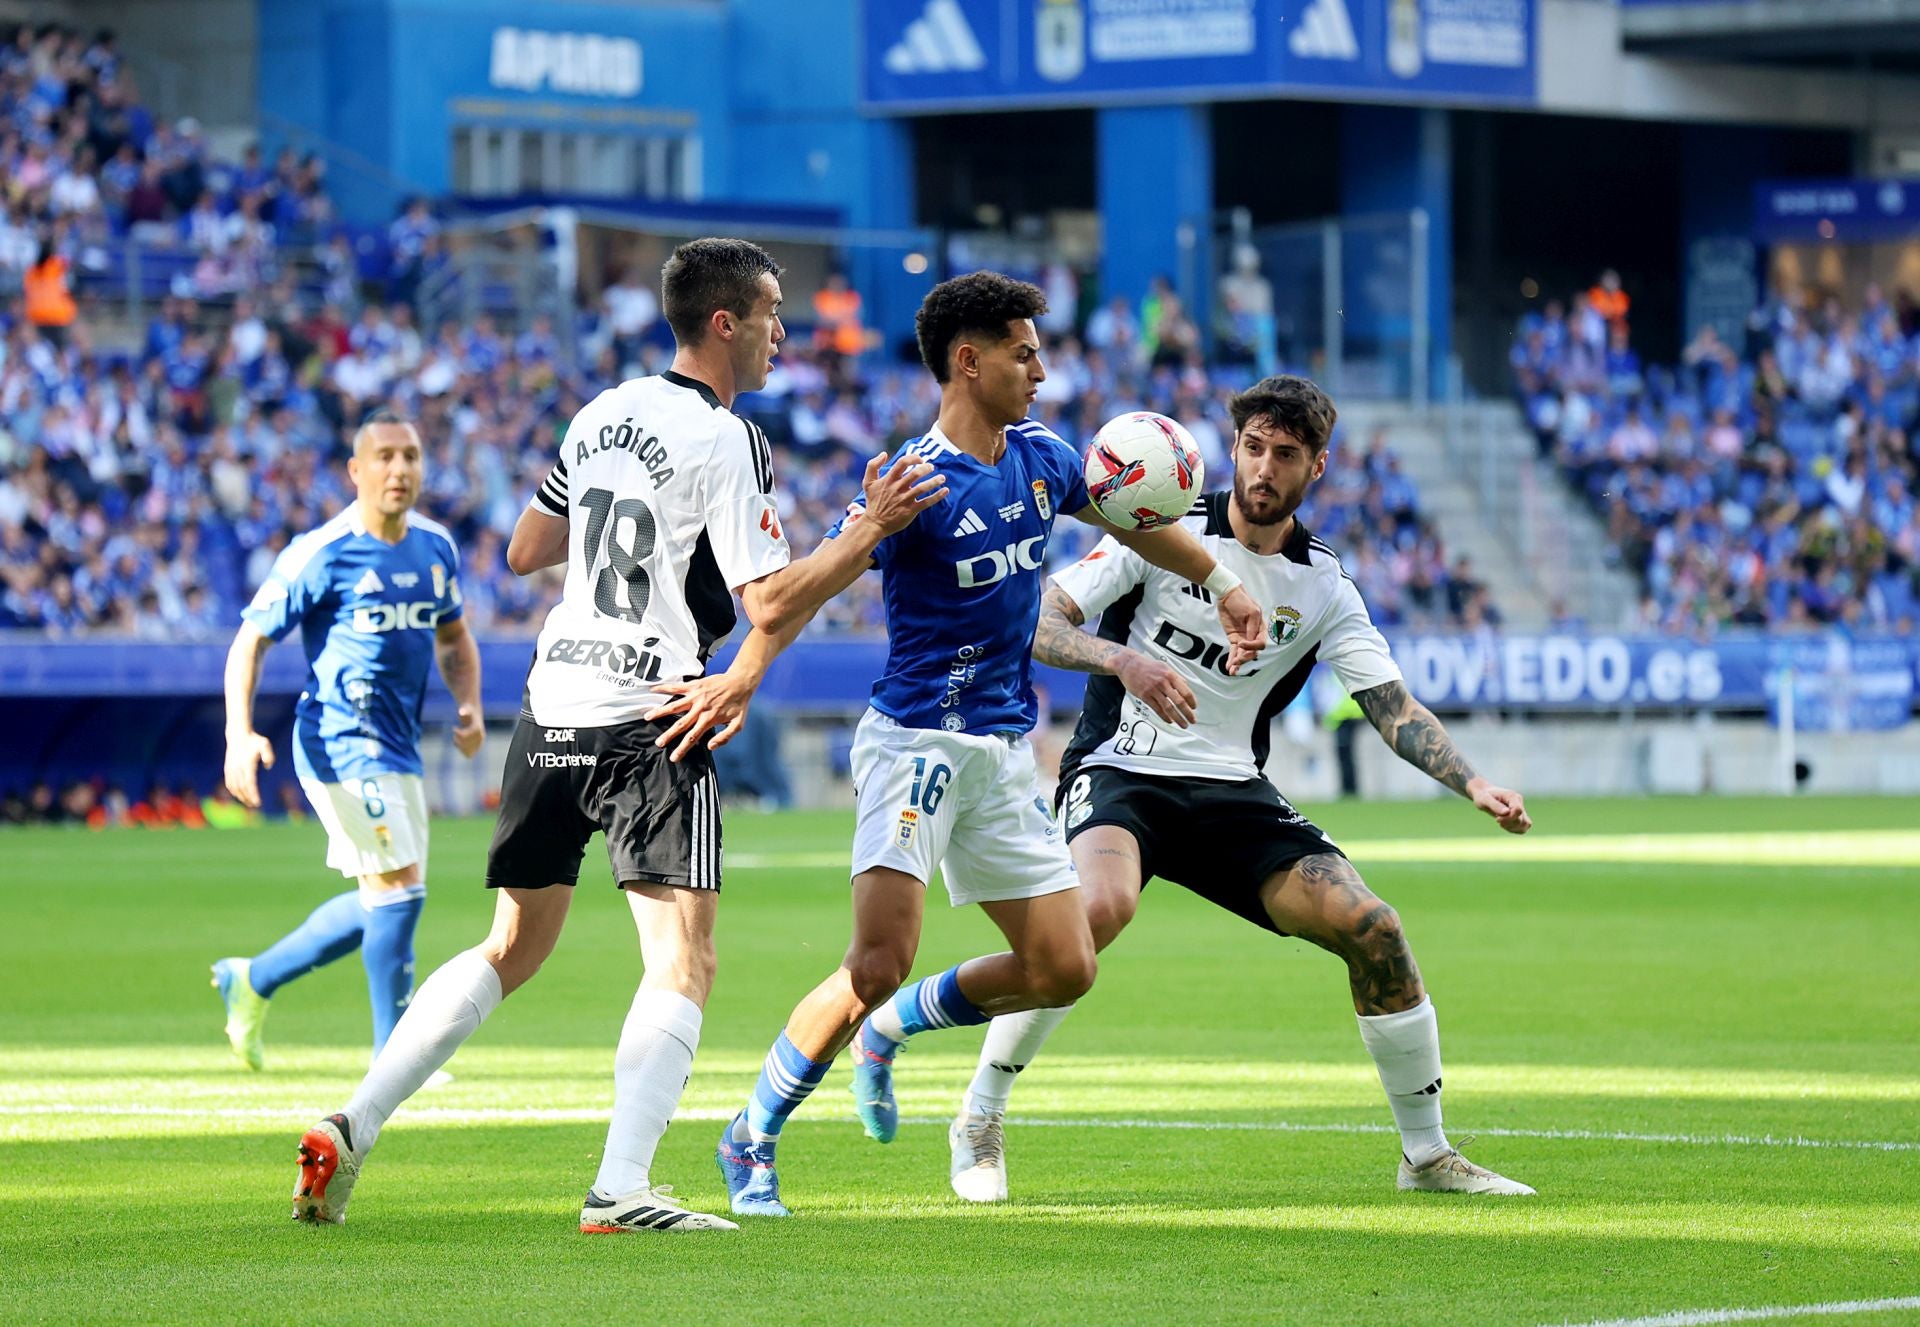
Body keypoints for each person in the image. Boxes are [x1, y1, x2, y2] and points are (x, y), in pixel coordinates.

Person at [287, 238, 947, 1233]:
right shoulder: (729, 437)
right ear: (724, 322)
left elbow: (524, 550)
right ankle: (622, 1186)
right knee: (684, 959)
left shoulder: (602, 412)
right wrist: (864, 535)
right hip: (652, 715)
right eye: (771, 313)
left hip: (552, 702)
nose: (782, 333)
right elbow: (766, 601)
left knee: (510, 943)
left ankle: (355, 1122)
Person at [857, 375, 1537, 1202]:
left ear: (1314, 468)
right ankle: (979, 1116)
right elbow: (1043, 619)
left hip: (1231, 791)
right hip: (1121, 772)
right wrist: (1124, 660)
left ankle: (1426, 1156)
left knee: (1375, 927)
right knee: (1095, 916)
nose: (1263, 468)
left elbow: (1391, 707)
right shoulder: (1157, 531)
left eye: (1285, 455)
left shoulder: (1323, 586)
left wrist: (1473, 783)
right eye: (1253, 447)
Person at [713, 271, 1268, 1218]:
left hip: (1004, 753)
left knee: (1066, 966)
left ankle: (888, 1032)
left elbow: (1142, 525)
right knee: (875, 957)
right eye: (1024, 352)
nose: (1042, 370)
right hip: (914, 748)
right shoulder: (910, 479)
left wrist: (1225, 583)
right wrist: (754, 662)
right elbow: (793, 593)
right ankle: (751, 1135)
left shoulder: (1043, 459)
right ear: (967, 363)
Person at [214, 413, 482, 1073]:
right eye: (384, 457)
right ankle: (397, 1053)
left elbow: (453, 637)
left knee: (384, 896)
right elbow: (251, 640)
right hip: (337, 736)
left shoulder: (435, 547)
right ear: (355, 471)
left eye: (411, 456)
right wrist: (238, 733)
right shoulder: (322, 550)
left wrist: (470, 703)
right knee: (401, 890)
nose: (399, 470)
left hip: (398, 744)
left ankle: (252, 978)